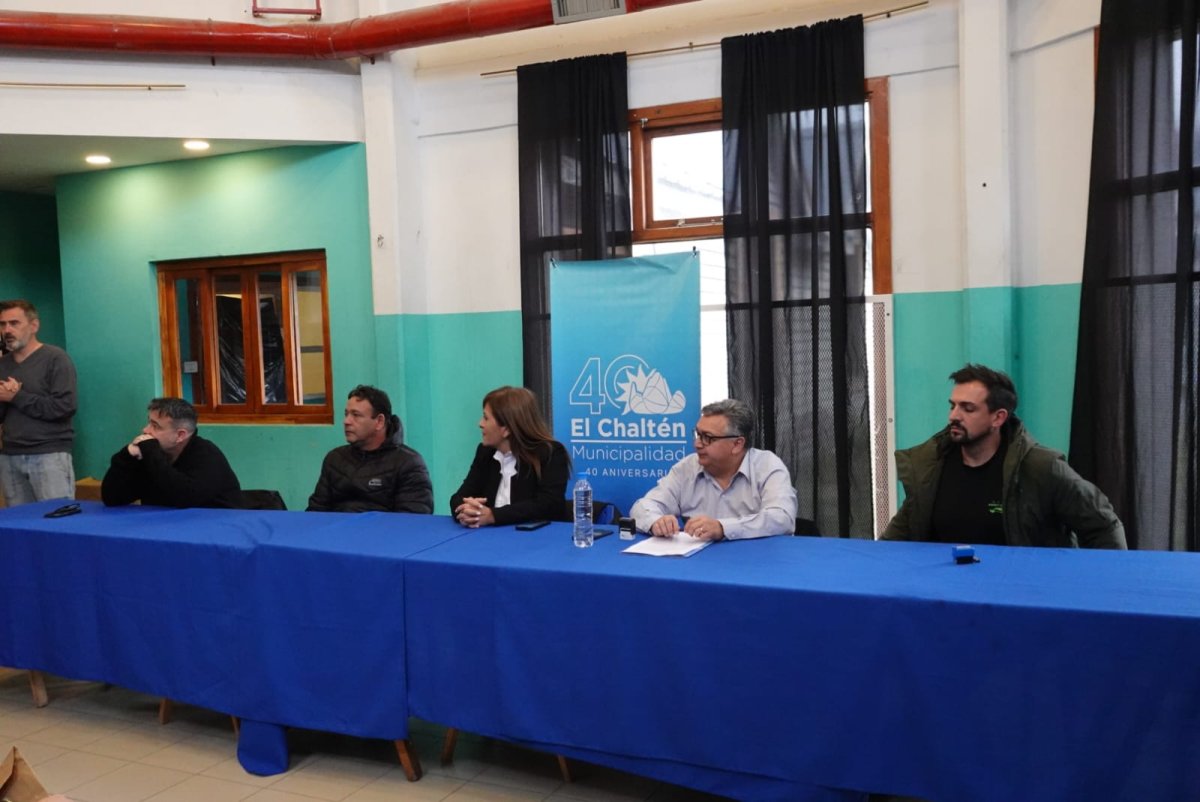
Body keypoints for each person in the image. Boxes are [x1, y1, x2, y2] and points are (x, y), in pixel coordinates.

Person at [881, 363, 1126, 548]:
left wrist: (1100, 587)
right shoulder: (929, 466)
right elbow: (895, 540)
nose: (954, 416)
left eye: (968, 409)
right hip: (945, 595)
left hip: (1022, 594)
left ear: (998, 417)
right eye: (952, 405)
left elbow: (1103, 527)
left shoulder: (1042, 468)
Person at [630, 398, 797, 540]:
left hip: (756, 561)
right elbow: (642, 506)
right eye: (698, 434)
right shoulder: (687, 468)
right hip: (699, 562)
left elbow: (782, 518)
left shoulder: (767, 466)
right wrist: (655, 522)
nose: (697, 444)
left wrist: (723, 528)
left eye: (707, 438)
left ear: (737, 444)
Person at [450, 386, 570, 527]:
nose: (480, 424)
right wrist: (468, 510)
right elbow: (459, 497)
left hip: (536, 537)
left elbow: (550, 505)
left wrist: (493, 516)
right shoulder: (485, 452)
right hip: (488, 536)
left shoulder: (550, 453)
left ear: (506, 429)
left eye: (486, 418)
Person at [307, 384, 433, 513]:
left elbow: (412, 519)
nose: (346, 421)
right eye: (346, 414)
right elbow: (316, 512)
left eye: (356, 415)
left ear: (379, 422)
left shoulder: (408, 464)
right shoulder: (334, 459)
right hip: (337, 526)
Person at [0, 299, 78, 505]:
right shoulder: (2, 365)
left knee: (58, 519)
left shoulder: (56, 359)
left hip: (49, 455)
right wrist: (4, 397)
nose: (7, 330)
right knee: (19, 522)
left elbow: (64, 407)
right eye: (2, 324)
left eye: (14, 323)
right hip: (10, 456)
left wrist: (17, 396)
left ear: (34, 326)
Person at [101, 397, 242, 508]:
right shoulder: (150, 452)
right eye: (149, 423)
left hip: (216, 527)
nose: (145, 430)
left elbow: (185, 497)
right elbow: (112, 498)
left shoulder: (207, 455)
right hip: (164, 527)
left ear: (180, 435)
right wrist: (126, 456)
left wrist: (152, 453)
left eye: (155, 426)